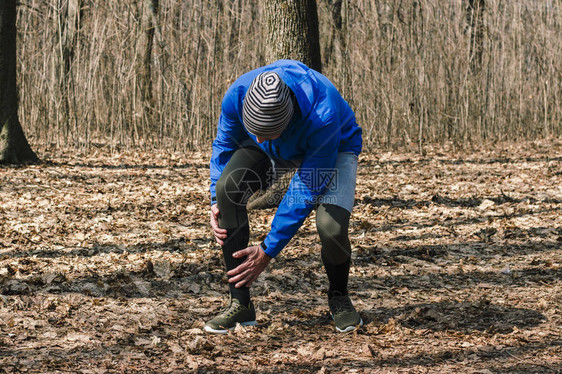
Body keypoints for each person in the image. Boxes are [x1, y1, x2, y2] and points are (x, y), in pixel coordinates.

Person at [207, 59, 363, 334]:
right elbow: (224, 145)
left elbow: (305, 189)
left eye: (266, 133)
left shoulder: (322, 113)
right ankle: (240, 304)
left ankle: (339, 296)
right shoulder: (238, 95)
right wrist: (214, 200)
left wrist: (268, 249)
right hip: (278, 149)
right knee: (227, 190)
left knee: (331, 227)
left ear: (287, 120)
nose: (260, 139)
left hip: (334, 148)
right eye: (255, 132)